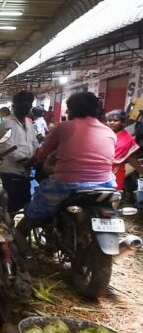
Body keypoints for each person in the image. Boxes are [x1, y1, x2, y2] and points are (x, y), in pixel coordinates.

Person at [16, 92, 117, 255]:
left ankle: (19, 245)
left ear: (72, 109)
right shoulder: (109, 132)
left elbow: (42, 154)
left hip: (67, 183)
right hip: (104, 184)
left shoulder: (63, 128)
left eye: (68, 109)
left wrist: (32, 161)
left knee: (33, 211)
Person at [0, 91, 40, 214]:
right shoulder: (6, 124)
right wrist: (26, 162)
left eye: (28, 105)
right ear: (14, 106)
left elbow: (34, 143)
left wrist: (38, 156)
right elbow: (7, 148)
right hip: (11, 173)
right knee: (12, 207)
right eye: (22, 104)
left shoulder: (29, 124)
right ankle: (9, 230)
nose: (25, 107)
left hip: (25, 172)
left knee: (25, 204)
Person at [105, 110, 143, 191]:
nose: (111, 123)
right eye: (109, 120)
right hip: (98, 170)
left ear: (122, 123)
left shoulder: (127, 139)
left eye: (115, 120)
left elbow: (130, 158)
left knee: (112, 195)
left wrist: (141, 171)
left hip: (115, 171)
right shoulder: (105, 134)